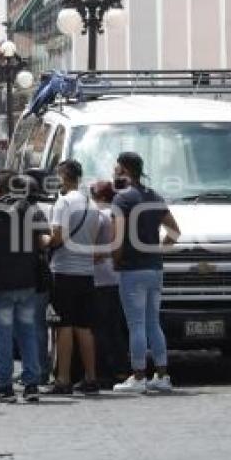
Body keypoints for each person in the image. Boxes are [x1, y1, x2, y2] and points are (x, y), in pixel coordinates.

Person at [0, 171, 47, 403]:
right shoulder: (32, 210)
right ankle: (31, 383)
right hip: (27, 280)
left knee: (3, 334)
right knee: (27, 332)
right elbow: (44, 240)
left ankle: (4, 385)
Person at [111, 152, 181, 394]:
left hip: (132, 268)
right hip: (154, 267)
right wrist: (157, 250)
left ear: (124, 169)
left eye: (117, 167)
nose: (114, 170)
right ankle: (162, 375)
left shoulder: (123, 199)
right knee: (153, 323)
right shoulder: (155, 196)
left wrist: (116, 259)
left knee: (136, 324)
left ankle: (138, 375)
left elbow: (117, 236)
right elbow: (174, 231)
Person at [45, 159, 100, 395]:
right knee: (85, 327)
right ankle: (91, 377)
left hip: (64, 271)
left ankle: (63, 379)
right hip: (86, 272)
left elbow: (57, 237)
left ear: (65, 175)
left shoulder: (64, 202)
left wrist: (42, 241)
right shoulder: (92, 203)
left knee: (63, 327)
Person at [90, 180, 130, 387]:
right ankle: (121, 368)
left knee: (101, 328)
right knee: (115, 327)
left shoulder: (98, 215)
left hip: (100, 278)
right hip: (114, 277)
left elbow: (94, 248)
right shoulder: (116, 214)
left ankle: (104, 371)